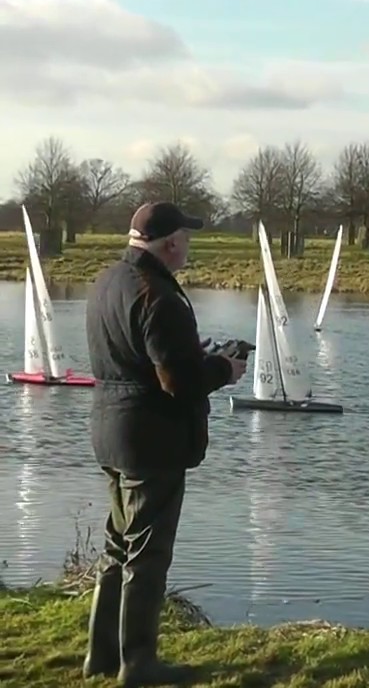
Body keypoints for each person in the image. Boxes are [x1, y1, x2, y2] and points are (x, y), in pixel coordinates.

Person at [82, 201, 248, 685]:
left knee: (119, 546)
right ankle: (138, 664)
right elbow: (179, 383)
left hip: (110, 432)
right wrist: (224, 369)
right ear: (170, 244)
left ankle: (101, 657)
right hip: (152, 441)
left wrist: (193, 355)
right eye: (187, 239)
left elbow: (139, 357)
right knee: (148, 554)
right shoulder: (160, 297)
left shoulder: (106, 281)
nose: (189, 247)